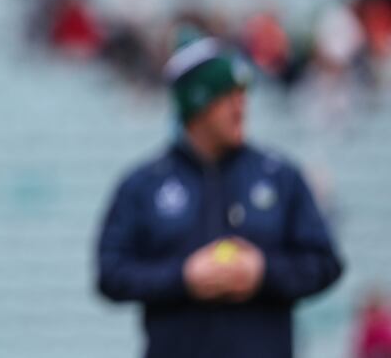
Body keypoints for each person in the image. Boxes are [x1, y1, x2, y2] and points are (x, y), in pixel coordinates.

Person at [96, 36, 343, 358]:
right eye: (227, 96)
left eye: (242, 95)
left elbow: (325, 263)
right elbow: (111, 274)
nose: (241, 106)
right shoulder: (143, 184)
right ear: (197, 104)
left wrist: (263, 272)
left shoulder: (280, 176)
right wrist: (182, 277)